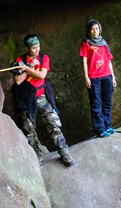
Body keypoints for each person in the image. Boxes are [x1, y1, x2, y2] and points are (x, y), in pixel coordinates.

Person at [11, 34, 75, 166]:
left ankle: (64, 152)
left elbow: (41, 75)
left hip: (40, 96)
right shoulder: (20, 60)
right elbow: (18, 81)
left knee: (53, 122)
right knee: (29, 129)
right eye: (34, 48)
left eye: (38, 46)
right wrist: (28, 65)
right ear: (27, 48)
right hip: (27, 99)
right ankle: (37, 157)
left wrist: (28, 68)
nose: (37, 50)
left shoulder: (43, 58)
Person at [79, 19, 117, 137]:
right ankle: (100, 129)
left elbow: (109, 61)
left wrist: (113, 76)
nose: (95, 31)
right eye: (92, 29)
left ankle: (107, 126)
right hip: (94, 77)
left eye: (96, 28)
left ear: (99, 28)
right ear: (89, 31)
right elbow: (84, 61)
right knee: (96, 103)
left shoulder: (104, 43)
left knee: (107, 102)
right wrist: (86, 77)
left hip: (107, 76)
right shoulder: (86, 43)